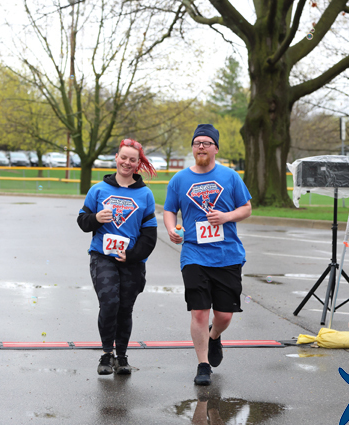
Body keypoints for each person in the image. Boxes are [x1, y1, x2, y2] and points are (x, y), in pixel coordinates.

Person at [163, 124, 252, 385]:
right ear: (193, 148)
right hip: (194, 254)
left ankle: (214, 336)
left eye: (206, 143)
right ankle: (203, 365)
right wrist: (171, 229)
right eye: (197, 143)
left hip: (227, 254)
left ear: (215, 148)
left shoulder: (230, 177)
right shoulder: (179, 180)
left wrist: (226, 217)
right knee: (200, 312)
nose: (201, 147)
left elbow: (246, 208)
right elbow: (169, 210)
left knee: (224, 315)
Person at [77, 139, 158, 375]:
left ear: (138, 163)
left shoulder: (145, 194)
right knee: (109, 302)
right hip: (102, 256)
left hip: (131, 261)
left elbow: (149, 235)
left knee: (125, 308)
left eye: (132, 159)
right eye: (123, 157)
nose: (127, 162)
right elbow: (82, 221)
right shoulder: (98, 190)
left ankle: (121, 357)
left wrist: (132, 255)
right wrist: (95, 219)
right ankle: (106, 354)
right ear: (116, 157)